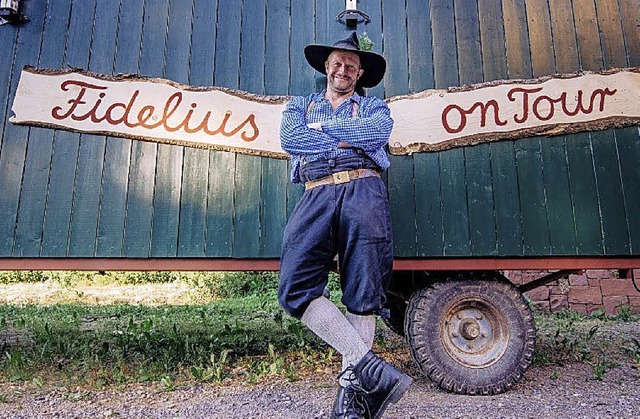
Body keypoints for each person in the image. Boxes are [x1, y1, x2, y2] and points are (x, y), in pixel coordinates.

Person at [278, 32, 412, 419]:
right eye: (337, 63)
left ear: (360, 73)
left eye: (351, 65)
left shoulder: (375, 109)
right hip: (316, 191)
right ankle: (371, 368)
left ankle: (351, 402)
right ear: (326, 67)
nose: (343, 69)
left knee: (363, 291)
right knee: (295, 287)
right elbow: (290, 138)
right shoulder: (299, 105)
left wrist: (319, 133)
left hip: (364, 191)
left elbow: (375, 136)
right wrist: (342, 140)